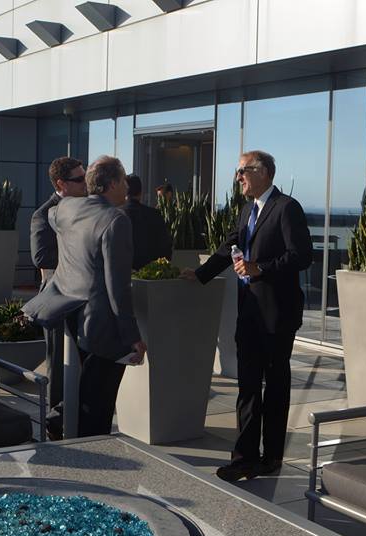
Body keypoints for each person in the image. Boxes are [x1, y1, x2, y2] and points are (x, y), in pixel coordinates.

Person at [182, 150, 312, 480]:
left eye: (244, 170)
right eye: (238, 171)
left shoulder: (286, 208)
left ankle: (272, 457)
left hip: (277, 314)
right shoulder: (246, 210)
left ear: (264, 172)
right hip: (249, 311)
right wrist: (200, 274)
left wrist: (261, 268)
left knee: (276, 385)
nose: (238, 177)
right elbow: (230, 247)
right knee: (248, 386)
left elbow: (302, 256)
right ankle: (244, 458)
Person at [24, 155, 146, 438]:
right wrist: (132, 337)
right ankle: (94, 458)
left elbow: (52, 216)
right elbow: (117, 287)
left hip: (74, 317)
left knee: (85, 395)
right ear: (113, 183)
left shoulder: (64, 210)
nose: (127, 186)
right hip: (104, 327)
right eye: (124, 179)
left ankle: (72, 441)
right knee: (98, 406)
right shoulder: (116, 220)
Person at [29, 156, 87, 438]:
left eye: (85, 177)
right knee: (60, 367)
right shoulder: (43, 214)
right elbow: (40, 256)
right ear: (61, 184)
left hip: (87, 301)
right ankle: (55, 424)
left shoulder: (89, 208)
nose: (85, 183)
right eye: (79, 179)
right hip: (59, 300)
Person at [122, 174, 173, 270]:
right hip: (150, 274)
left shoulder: (117, 215)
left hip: (125, 273)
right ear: (141, 192)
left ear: (124, 190)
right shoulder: (155, 214)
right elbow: (166, 246)